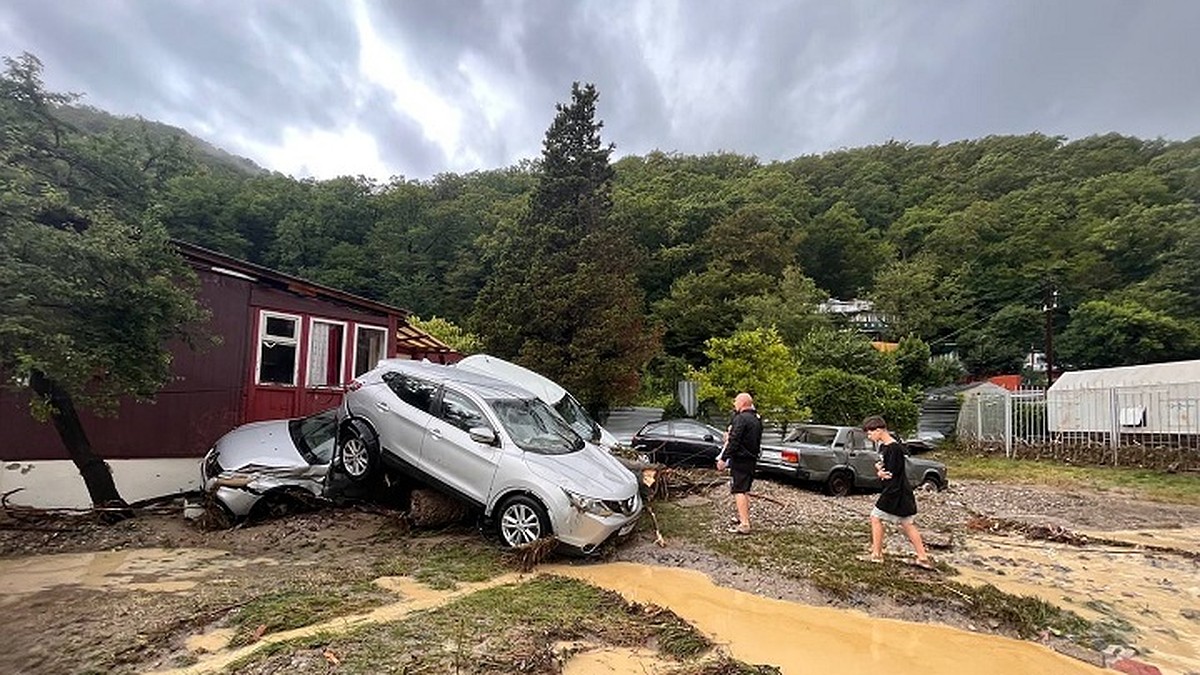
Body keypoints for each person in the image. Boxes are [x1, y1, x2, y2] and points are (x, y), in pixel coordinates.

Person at [862, 415, 934, 569]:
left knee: (875, 517)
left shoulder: (894, 448)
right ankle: (922, 557)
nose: (869, 436)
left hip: (896, 490)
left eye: (870, 433)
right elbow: (884, 466)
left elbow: (891, 473)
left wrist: (882, 474)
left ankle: (877, 555)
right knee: (907, 523)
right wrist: (879, 469)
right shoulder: (884, 447)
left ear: (879, 430)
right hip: (896, 490)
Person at [716, 392, 763, 534]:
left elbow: (735, 441)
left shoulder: (741, 419)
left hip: (741, 460)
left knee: (738, 490)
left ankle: (744, 524)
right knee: (744, 490)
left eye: (736, 401)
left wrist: (723, 458)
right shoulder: (757, 419)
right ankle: (743, 517)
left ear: (742, 403)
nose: (734, 403)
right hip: (751, 459)